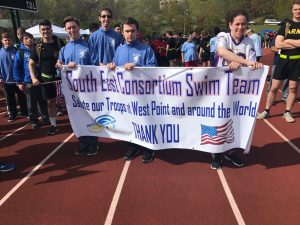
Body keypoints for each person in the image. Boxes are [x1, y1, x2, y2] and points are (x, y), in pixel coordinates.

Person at [211, 9, 263, 170]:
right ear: (230, 25)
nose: (240, 27)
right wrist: (244, 62)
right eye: (237, 24)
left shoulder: (249, 42)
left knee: (235, 120)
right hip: (220, 88)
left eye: (244, 24)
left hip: (240, 89)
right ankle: (216, 153)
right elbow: (222, 52)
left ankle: (231, 151)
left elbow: (252, 63)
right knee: (218, 119)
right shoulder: (223, 37)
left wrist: (244, 64)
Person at [108, 17, 157, 163]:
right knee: (129, 120)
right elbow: (115, 67)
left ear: (137, 32)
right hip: (125, 94)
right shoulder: (119, 49)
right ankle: (133, 145)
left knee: (144, 121)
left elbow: (154, 69)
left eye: (133, 31)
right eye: (127, 31)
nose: (130, 34)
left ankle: (148, 148)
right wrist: (112, 66)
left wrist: (137, 68)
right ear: (122, 32)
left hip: (143, 95)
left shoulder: (146, 49)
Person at [56, 16, 98, 156]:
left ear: (78, 28)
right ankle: (83, 142)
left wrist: (77, 67)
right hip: (71, 92)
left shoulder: (88, 46)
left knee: (89, 116)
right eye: (69, 28)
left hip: (87, 89)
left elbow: (95, 67)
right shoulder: (63, 49)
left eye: (74, 27)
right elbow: (60, 69)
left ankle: (93, 143)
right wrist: (59, 66)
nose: (72, 30)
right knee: (76, 117)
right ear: (65, 30)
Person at [257, 0, 300, 123]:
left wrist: (288, 41)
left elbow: (284, 43)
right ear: (292, 10)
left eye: (299, 9)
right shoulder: (286, 25)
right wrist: (295, 44)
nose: (298, 12)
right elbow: (278, 44)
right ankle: (266, 111)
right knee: (274, 88)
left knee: (292, 89)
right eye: (296, 9)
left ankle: (287, 112)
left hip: (297, 62)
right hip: (282, 61)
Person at [29, 19, 61, 135]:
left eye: (47, 29)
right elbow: (31, 64)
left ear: (51, 30)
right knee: (50, 103)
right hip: (46, 80)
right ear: (39, 31)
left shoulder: (59, 43)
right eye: (43, 29)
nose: (45, 31)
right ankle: (53, 125)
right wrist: (33, 78)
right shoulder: (37, 47)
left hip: (62, 79)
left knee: (70, 101)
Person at [13, 32, 49, 129]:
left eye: (30, 38)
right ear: (22, 41)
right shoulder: (20, 53)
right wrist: (19, 82)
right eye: (26, 38)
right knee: (31, 103)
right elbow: (17, 68)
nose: (29, 40)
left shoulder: (38, 49)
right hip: (29, 81)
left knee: (43, 100)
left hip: (42, 79)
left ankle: (46, 117)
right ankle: (34, 121)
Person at [0, 32, 28, 122]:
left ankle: (25, 112)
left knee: (22, 97)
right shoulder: (0, 52)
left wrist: (21, 78)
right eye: (5, 40)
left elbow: (21, 65)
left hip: (18, 80)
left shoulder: (17, 51)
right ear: (2, 41)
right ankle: (13, 114)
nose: (7, 42)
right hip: (6, 81)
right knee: (10, 99)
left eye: (9, 40)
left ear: (12, 41)